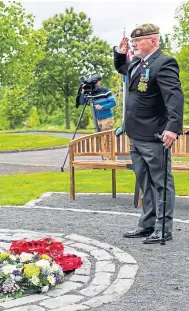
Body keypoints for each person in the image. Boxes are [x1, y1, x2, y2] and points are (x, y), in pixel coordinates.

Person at [114, 23, 184, 244]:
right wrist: (121, 54)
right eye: (133, 41)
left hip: (155, 135)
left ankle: (163, 229)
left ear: (154, 41)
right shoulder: (136, 63)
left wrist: (172, 128)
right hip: (136, 135)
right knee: (145, 182)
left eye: (138, 41)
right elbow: (122, 69)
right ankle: (147, 225)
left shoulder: (164, 63)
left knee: (161, 183)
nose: (134, 44)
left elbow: (174, 97)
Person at [78, 75, 117, 160]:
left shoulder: (105, 91)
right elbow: (82, 102)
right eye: (98, 81)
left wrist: (102, 107)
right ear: (95, 83)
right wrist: (82, 92)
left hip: (107, 118)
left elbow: (113, 103)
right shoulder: (91, 93)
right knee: (101, 139)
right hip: (98, 119)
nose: (99, 83)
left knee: (107, 139)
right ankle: (105, 158)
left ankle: (110, 159)